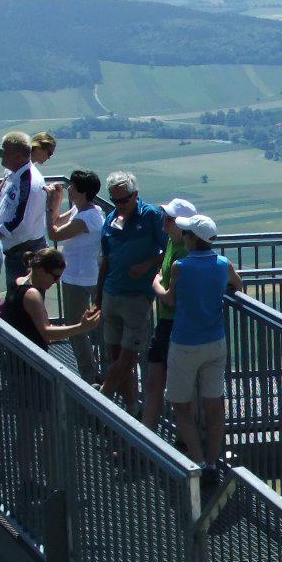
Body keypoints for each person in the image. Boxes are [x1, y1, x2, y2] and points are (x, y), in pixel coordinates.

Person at [154, 213, 240, 478]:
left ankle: (199, 461)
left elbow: (168, 300)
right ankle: (213, 462)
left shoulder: (181, 267)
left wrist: (155, 282)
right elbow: (237, 285)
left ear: (192, 239)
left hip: (185, 343)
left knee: (181, 405)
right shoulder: (223, 264)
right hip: (215, 341)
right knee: (214, 406)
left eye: (187, 233)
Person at [96, 171, 166, 408]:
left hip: (137, 296)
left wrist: (148, 264)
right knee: (116, 356)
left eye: (124, 200)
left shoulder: (151, 216)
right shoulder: (110, 218)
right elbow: (106, 258)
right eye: (115, 201)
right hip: (111, 293)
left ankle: (103, 396)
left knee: (127, 357)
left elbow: (169, 251)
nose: (120, 205)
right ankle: (131, 408)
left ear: (136, 195)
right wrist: (98, 295)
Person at [141, 196, 200, 432]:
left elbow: (173, 298)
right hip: (168, 323)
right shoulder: (172, 244)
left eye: (169, 219)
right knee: (158, 383)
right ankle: (154, 435)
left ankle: (183, 438)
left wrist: (155, 283)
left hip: (175, 324)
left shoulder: (183, 253)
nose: (164, 223)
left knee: (175, 387)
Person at [46, 169, 106, 383]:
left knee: (76, 328)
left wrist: (50, 204)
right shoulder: (86, 211)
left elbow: (53, 233)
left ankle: (89, 376)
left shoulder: (85, 218)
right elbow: (56, 222)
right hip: (86, 275)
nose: (69, 188)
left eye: (72, 186)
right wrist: (55, 204)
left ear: (80, 192)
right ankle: (98, 371)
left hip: (79, 278)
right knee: (92, 325)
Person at [0, 247, 100, 351]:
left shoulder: (18, 281)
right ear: (41, 271)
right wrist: (81, 327)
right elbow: (47, 334)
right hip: (31, 357)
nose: (57, 281)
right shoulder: (31, 295)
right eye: (55, 276)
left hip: (15, 352)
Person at [0, 131, 48, 292]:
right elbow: (1, 201)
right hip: (15, 250)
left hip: (24, 253)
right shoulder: (14, 174)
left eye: (3, 151)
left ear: (18, 157)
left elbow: (23, 222)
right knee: (17, 301)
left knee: (24, 302)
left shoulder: (29, 182)